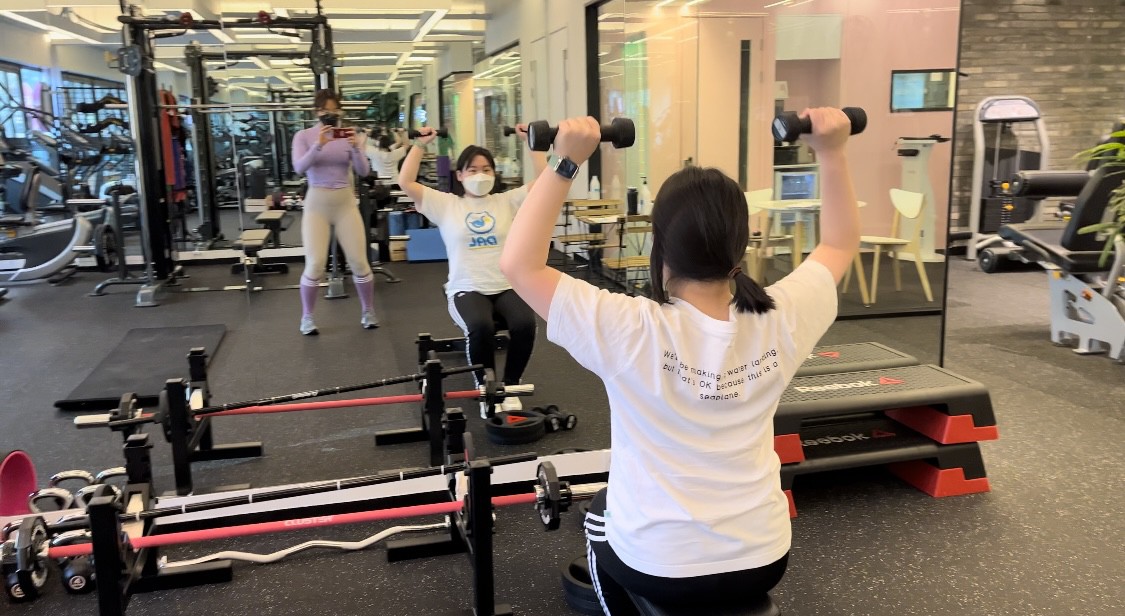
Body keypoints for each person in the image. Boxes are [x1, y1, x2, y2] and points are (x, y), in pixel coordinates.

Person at [499, 109, 859, 613]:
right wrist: (832, 151)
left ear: (661, 246)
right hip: (764, 556)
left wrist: (565, 161)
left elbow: (519, 264)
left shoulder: (629, 327)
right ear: (741, 244)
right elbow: (840, 243)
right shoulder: (781, 317)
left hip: (661, 564)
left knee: (599, 513)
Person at [399, 125, 548, 417]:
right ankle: (485, 389)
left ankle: (511, 386)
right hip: (466, 286)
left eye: (486, 169)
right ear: (460, 175)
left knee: (524, 324)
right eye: (473, 170)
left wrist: (532, 144)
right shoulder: (446, 204)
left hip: (505, 284)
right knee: (481, 327)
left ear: (494, 173)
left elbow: (546, 182)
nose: (481, 175)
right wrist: (420, 145)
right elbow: (406, 182)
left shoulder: (506, 201)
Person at [291, 89, 378, 335]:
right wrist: (318, 145)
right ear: (316, 112)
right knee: (315, 264)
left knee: (359, 262)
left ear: (339, 111)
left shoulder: (349, 135)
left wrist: (356, 148)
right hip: (317, 203)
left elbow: (363, 171)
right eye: (324, 110)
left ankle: (368, 311)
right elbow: (299, 167)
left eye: (333, 110)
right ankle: (307, 317)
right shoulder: (304, 136)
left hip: (345, 203)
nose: (329, 114)